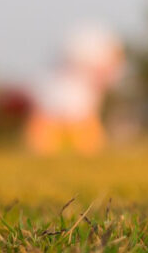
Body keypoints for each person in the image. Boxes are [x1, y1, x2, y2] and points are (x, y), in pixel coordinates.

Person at [25, 24, 124, 155]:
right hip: (63, 103)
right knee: (48, 134)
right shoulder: (69, 79)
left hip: (72, 104)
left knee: (86, 137)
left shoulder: (77, 77)